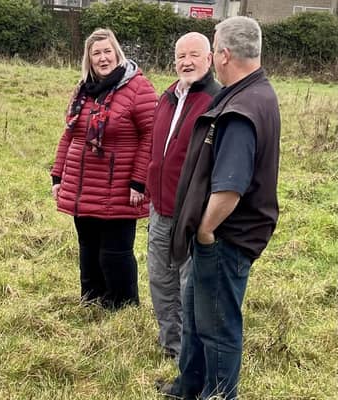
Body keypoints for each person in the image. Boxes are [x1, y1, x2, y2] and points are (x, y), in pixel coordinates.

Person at [159, 17, 281, 399]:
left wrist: (206, 230)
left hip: (225, 239)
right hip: (221, 237)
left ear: (224, 55)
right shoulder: (255, 92)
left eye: (213, 48)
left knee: (219, 327)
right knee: (197, 319)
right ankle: (189, 386)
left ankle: (218, 394)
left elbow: (230, 189)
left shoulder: (241, 108)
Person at [51, 28, 157, 310]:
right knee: (88, 248)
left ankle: (122, 308)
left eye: (107, 51)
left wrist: (139, 181)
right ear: (89, 59)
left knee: (115, 252)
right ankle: (92, 301)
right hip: (81, 184)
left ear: (117, 53)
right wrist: (58, 175)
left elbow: (151, 135)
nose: (102, 57)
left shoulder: (137, 87)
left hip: (118, 185)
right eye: (96, 53)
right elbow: (70, 134)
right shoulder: (83, 90)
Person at [146, 32, 220, 360]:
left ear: (210, 58)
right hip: (160, 209)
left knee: (191, 286)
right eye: (180, 56)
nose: (186, 62)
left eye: (194, 55)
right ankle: (171, 344)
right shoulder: (168, 97)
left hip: (193, 212)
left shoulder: (217, 100)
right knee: (160, 281)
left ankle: (192, 352)